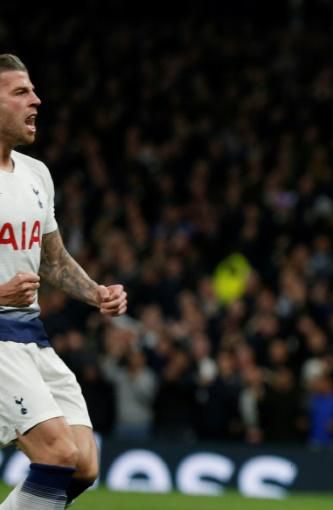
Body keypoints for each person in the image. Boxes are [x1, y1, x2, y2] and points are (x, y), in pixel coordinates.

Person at [0, 53, 127, 509]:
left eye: (33, 89)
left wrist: (97, 293)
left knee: (85, 465)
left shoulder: (37, 175)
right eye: (20, 92)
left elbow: (51, 261)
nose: (37, 99)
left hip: (31, 335)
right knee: (57, 452)